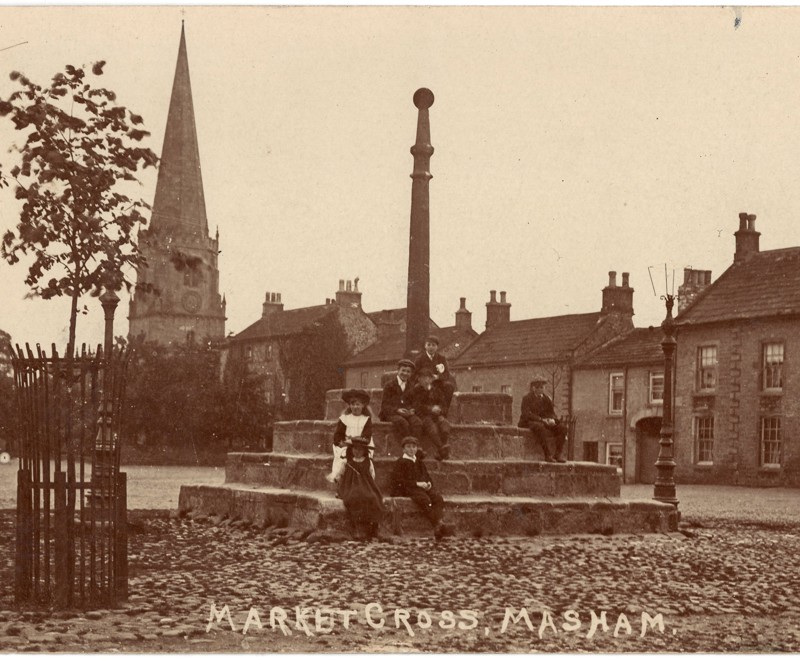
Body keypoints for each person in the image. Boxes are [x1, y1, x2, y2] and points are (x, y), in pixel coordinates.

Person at [391, 436, 446, 539]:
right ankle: (437, 524)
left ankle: (439, 522)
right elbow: (398, 481)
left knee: (437, 498)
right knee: (425, 499)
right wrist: (417, 484)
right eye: (408, 447)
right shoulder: (401, 462)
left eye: (414, 447)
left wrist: (428, 483)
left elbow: (426, 475)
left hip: (421, 486)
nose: (411, 449)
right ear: (403, 449)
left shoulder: (419, 462)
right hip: (408, 488)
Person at [335, 437, 385, 540]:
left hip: (366, 485)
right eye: (355, 449)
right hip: (350, 485)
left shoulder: (368, 462)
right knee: (354, 497)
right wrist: (337, 481)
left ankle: (373, 528)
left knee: (373, 497)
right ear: (351, 449)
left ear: (364, 451)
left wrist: (368, 484)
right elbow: (340, 474)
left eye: (360, 449)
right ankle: (357, 527)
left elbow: (372, 475)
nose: (357, 452)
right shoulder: (346, 462)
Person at [327, 389, 374, 484]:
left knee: (364, 460)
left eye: (358, 404)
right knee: (342, 459)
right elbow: (338, 436)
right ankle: (341, 485)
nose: (355, 407)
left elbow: (366, 437)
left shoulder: (366, 419)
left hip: (362, 446)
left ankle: (364, 485)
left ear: (363, 405)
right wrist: (342, 443)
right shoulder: (344, 419)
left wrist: (354, 441)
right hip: (346, 445)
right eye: (353, 404)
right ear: (349, 406)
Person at [518, 378, 567, 463]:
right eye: (540, 387)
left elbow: (551, 412)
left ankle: (557, 454)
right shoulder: (527, 398)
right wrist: (541, 420)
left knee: (563, 428)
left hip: (544, 421)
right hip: (530, 421)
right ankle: (547, 454)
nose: (542, 389)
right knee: (540, 427)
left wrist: (552, 420)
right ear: (534, 388)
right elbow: (526, 414)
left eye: (543, 387)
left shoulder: (546, 399)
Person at [412, 367, 451, 460]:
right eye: (423, 378)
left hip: (436, 416)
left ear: (431, 379)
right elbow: (416, 406)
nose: (426, 380)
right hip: (423, 416)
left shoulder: (436, 390)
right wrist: (430, 409)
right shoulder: (416, 391)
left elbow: (444, 406)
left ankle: (441, 450)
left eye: (428, 378)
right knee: (431, 426)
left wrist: (440, 412)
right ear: (419, 379)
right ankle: (441, 448)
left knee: (445, 424)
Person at [379, 358, 422, 440]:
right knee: (402, 422)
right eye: (403, 370)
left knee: (417, 422)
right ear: (398, 371)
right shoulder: (389, 385)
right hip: (391, 414)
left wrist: (412, 410)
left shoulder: (411, 386)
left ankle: (415, 445)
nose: (405, 373)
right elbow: (385, 406)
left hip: (407, 414)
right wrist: (397, 410)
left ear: (411, 373)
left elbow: (415, 402)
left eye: (408, 371)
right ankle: (407, 445)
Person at [414, 335, 455, 411]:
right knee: (417, 389)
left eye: (433, 345)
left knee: (449, 386)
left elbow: (446, 374)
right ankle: (424, 411)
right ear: (425, 346)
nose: (431, 347)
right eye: (428, 345)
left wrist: (437, 377)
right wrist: (424, 379)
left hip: (437, 383)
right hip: (423, 383)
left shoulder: (441, 358)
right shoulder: (419, 359)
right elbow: (414, 374)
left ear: (437, 347)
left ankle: (443, 411)